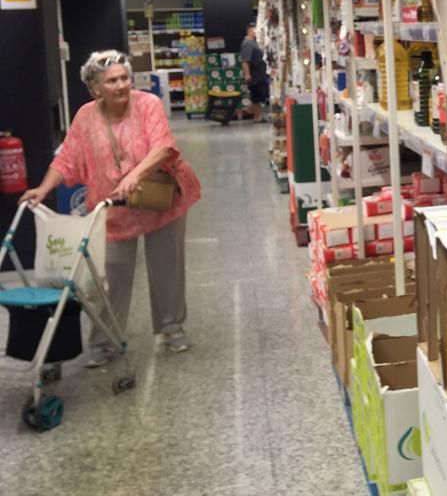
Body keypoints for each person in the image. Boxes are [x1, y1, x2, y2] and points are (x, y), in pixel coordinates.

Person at [20, 50, 202, 363]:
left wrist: (134, 174)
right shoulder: (85, 117)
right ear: (95, 88)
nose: (121, 85)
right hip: (113, 208)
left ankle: (172, 328)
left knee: (166, 267)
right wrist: (43, 188)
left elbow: (163, 147)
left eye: (124, 78)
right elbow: (67, 159)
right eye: (111, 81)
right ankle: (103, 341)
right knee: (107, 276)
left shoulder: (148, 105)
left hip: (160, 198)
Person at [240, 23, 269, 122]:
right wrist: (247, 74)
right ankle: (250, 113)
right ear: (250, 31)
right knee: (256, 96)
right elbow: (245, 61)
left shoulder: (255, 42)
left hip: (260, 74)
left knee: (259, 96)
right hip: (254, 74)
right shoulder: (247, 44)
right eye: (255, 30)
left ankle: (258, 116)